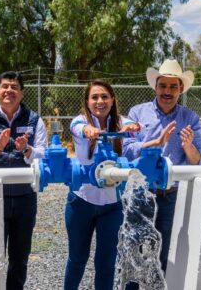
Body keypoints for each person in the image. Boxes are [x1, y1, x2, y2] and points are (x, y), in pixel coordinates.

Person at [123, 59, 201, 288]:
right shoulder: (137, 113)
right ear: (155, 86)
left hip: (171, 196)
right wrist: (152, 143)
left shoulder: (190, 119)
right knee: (135, 250)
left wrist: (188, 146)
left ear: (181, 89)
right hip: (141, 193)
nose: (167, 92)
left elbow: (200, 161)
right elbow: (126, 149)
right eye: (163, 86)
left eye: (173, 87)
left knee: (165, 252)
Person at [0, 71, 47, 290]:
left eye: (14, 87)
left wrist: (27, 149)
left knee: (19, 258)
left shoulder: (34, 119)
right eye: (5, 86)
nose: (9, 91)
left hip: (24, 198)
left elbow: (44, 154)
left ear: (22, 93)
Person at [66, 80, 140, 290]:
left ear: (112, 100)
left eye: (105, 97)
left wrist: (133, 128)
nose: (100, 101)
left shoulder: (121, 122)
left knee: (106, 263)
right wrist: (88, 130)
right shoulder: (80, 121)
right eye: (95, 97)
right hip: (81, 202)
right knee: (77, 259)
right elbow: (76, 127)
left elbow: (134, 129)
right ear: (87, 102)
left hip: (113, 206)